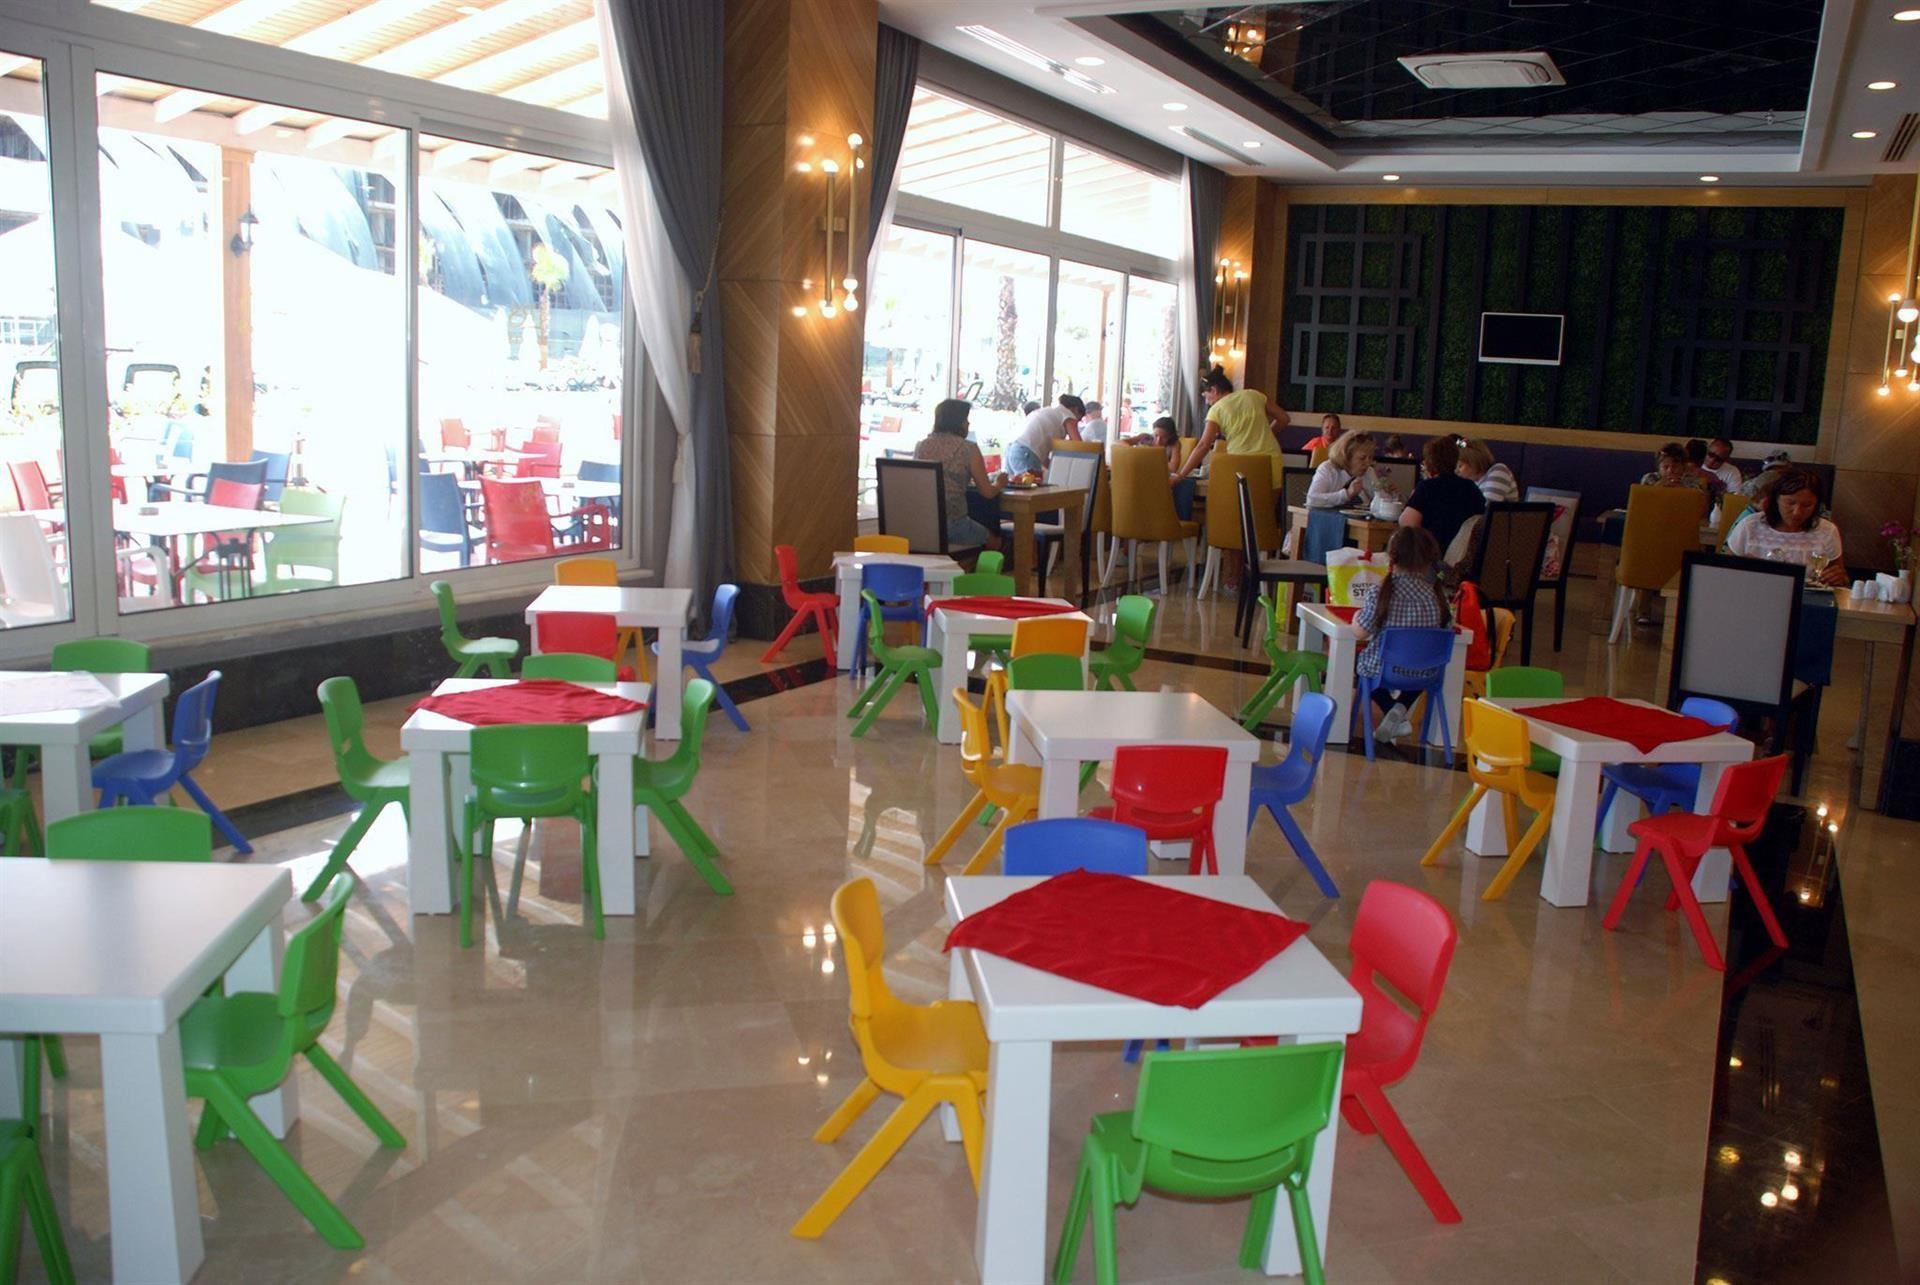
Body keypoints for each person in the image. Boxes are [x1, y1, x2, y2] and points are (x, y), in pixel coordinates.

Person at [1353, 526, 1451, 743]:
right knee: (1421, 669)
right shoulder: (1437, 597)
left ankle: (1390, 708)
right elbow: (1447, 630)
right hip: (1426, 673)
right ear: (1429, 560)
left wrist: (1355, 617)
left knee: (1358, 665)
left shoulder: (1381, 593)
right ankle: (1401, 708)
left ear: (1391, 557)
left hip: (1384, 671)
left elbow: (1360, 632)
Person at [1725, 467, 1845, 584]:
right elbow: (1725, 572)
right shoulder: (1750, 526)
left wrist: (1837, 578)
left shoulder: (1826, 531)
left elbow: (1842, 579)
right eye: (1790, 503)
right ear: (1776, 499)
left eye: (1807, 505)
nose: (1797, 512)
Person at [912, 398, 1004, 550]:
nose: (968, 423)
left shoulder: (921, 446)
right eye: (966, 419)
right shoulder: (968, 448)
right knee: (994, 540)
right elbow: (987, 492)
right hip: (953, 524)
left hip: (922, 522)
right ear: (959, 422)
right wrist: (999, 483)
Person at [1171, 366, 1287, 485]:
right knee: (1269, 498)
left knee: (1238, 497)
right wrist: (1267, 434)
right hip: (1272, 462)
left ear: (1214, 390)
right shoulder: (1253, 394)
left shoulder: (1217, 410)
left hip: (1243, 466)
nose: (1207, 402)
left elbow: (1203, 445)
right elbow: (1284, 418)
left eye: (1205, 396)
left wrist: (1181, 475)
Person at [1399, 435, 1486, 555]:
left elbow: (1407, 522)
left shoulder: (1427, 488)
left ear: (1429, 462)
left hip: (1431, 556)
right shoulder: (1471, 488)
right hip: (1464, 558)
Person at [1005, 394, 1083, 476]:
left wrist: (1057, 470)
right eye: (1078, 420)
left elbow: (1043, 457)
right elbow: (1078, 445)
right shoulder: (1067, 414)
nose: (1076, 423)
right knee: (1031, 483)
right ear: (1076, 409)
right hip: (1026, 453)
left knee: (1019, 483)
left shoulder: (1048, 412)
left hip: (1013, 451)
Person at [1306, 430, 1377, 508]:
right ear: (1347, 456)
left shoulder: (1369, 471)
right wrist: (1347, 494)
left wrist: (1383, 497)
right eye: (1362, 458)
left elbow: (1381, 499)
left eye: (1370, 458)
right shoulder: (1328, 469)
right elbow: (1312, 500)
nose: (1368, 463)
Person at [1147, 417, 1199, 521]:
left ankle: (1179, 521)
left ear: (1170, 436)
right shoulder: (1147, 441)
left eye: (1163, 437)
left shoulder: (1174, 444)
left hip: (1166, 478)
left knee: (1185, 484)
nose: (1158, 441)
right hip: (1151, 477)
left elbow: (1173, 468)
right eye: (1156, 435)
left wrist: (1155, 458)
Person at [1455, 438, 1518, 503]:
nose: (1456, 471)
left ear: (1474, 462)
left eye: (1460, 466)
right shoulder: (1472, 483)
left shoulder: (1499, 471)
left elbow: (1486, 506)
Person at [1641, 442, 1711, 493]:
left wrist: (1682, 488)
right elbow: (1643, 498)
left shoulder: (1692, 481)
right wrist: (1658, 487)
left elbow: (1699, 500)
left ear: (1683, 467)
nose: (1670, 470)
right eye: (1665, 467)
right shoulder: (1650, 478)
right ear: (1658, 467)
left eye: (1675, 467)